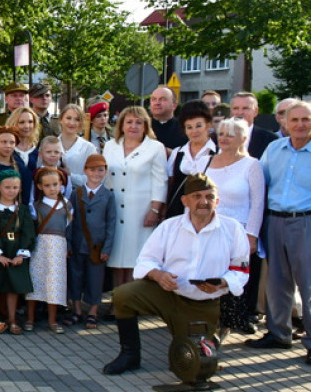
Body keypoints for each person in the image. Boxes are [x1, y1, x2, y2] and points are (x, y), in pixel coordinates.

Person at [103, 173, 249, 375]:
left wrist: (223, 283)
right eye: (197, 196)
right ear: (185, 200)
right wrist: (158, 275)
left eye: (209, 197)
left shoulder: (232, 229)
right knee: (123, 295)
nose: (203, 202)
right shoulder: (169, 227)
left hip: (204, 303)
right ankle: (130, 355)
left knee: (195, 368)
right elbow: (145, 261)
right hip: (167, 294)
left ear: (217, 201)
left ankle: (215, 335)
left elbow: (241, 269)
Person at [250, 100, 311, 357]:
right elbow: (258, 182)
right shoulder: (274, 149)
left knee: (308, 285)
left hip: (306, 222)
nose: (299, 125)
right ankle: (279, 333)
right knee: (276, 282)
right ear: (284, 122)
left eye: (305, 119)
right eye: (294, 120)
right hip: (274, 221)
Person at [206, 118, 264, 338]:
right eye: (221, 133)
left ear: (243, 138)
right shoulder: (208, 161)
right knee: (209, 275)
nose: (224, 138)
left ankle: (225, 327)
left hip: (237, 232)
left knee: (230, 279)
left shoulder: (252, 165)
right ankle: (207, 320)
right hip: (209, 229)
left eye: (230, 134)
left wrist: (251, 235)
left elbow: (258, 203)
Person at [104, 106, 167, 288]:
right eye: (129, 122)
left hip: (140, 211)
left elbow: (160, 181)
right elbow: (105, 177)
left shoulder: (155, 148)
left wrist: (155, 210)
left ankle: (129, 303)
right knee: (116, 258)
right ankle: (116, 300)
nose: (133, 126)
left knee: (136, 258)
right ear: (121, 125)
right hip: (114, 208)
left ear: (146, 126)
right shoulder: (110, 146)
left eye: (139, 122)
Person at [66, 154, 116, 329]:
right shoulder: (76, 193)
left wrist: (107, 248)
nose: (96, 173)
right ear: (85, 171)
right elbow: (70, 221)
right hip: (78, 244)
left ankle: (93, 312)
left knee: (95, 279)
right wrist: (69, 243)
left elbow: (111, 223)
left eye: (100, 170)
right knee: (75, 277)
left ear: (105, 172)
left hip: (97, 246)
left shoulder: (108, 196)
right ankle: (77, 310)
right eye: (92, 169)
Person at [0, 170, 35, 335]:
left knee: (13, 286)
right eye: (7, 187)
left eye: (15, 187)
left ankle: (12, 319)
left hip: (15, 251)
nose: (11, 191)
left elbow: (28, 232)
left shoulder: (23, 209)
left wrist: (21, 254)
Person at [26, 168, 72, 334]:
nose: (52, 188)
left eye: (55, 184)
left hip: (59, 246)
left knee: (55, 282)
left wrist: (69, 247)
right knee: (35, 281)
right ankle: (29, 318)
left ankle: (52, 320)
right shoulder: (36, 206)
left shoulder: (67, 205)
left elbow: (69, 228)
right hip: (40, 246)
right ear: (39, 186)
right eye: (47, 185)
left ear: (61, 184)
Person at [164, 101, 217, 218]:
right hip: (177, 214)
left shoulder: (218, 153)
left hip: (206, 214)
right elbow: (169, 186)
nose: (194, 131)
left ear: (208, 125)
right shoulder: (177, 153)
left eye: (199, 126)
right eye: (189, 127)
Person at [229, 92, 278, 158]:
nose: (240, 112)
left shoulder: (270, 139)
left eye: (245, 108)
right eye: (235, 108)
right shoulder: (217, 138)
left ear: (255, 111)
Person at [58, 104, 97, 187]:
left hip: (79, 196)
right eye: (68, 118)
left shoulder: (89, 148)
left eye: (77, 119)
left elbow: (94, 178)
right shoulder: (49, 145)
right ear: (61, 120)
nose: (72, 123)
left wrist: (70, 176)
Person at [148, 86, 185, 151]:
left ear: (174, 105)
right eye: (154, 99)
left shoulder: (184, 128)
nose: (157, 103)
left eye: (162, 99)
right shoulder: (143, 126)